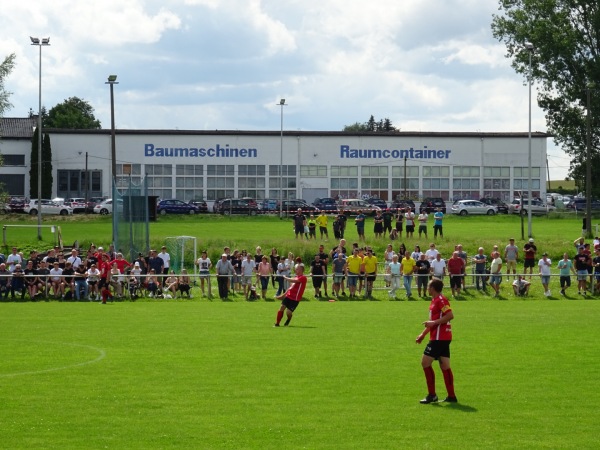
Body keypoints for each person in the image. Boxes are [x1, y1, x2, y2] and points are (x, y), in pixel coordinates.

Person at [416, 278, 457, 404]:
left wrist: (434, 322)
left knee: (425, 363)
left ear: (432, 288)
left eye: (428, 286)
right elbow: (433, 322)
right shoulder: (434, 301)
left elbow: (450, 315)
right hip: (442, 337)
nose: (427, 288)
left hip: (439, 338)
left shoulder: (440, 300)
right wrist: (423, 334)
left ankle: (432, 395)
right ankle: (451, 396)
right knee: (445, 365)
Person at [274, 262, 308, 327]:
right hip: (288, 296)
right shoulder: (296, 277)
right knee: (281, 308)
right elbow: (290, 288)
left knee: (288, 312)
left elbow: (294, 281)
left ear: (301, 270)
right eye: (296, 269)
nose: (295, 270)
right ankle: (277, 323)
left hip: (295, 299)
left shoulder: (303, 277)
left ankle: (289, 319)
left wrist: (285, 278)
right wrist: (282, 296)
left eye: (297, 269)